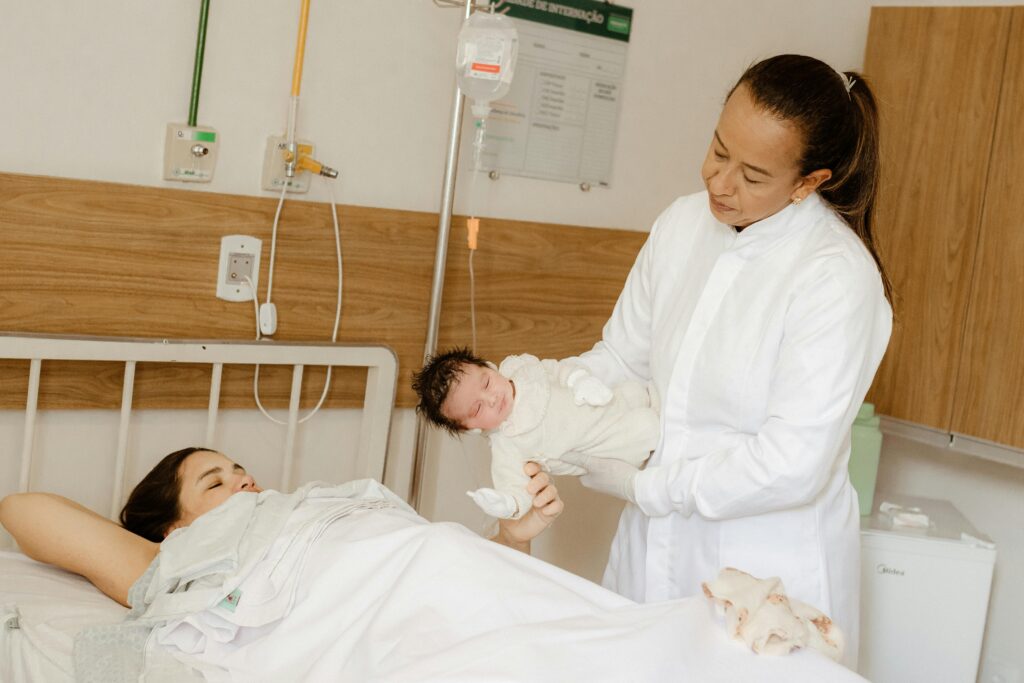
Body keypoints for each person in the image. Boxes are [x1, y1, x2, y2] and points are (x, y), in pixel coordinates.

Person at [555, 54, 893, 668]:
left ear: (808, 182)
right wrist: (544, 406)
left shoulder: (834, 277)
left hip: (768, 574)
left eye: (754, 175)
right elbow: (622, 360)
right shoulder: (682, 225)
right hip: (652, 550)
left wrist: (649, 486)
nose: (720, 182)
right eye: (718, 150)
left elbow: (793, 461)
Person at [0, 447, 563, 607]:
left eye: (240, 470)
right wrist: (154, 550)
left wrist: (516, 535)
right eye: (215, 483)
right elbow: (21, 510)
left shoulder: (308, 507)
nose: (244, 481)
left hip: (434, 570)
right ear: (176, 529)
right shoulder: (181, 558)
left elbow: (445, 564)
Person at [412, 347, 659, 519]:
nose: (492, 398)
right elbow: (516, 487)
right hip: (605, 445)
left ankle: (639, 403)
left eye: (486, 383)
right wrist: (507, 503)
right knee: (646, 428)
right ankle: (650, 432)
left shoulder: (521, 368)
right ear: (471, 428)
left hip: (601, 400)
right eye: (477, 408)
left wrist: (579, 379)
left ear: (489, 367)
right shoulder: (507, 442)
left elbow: (557, 369)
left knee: (634, 392)